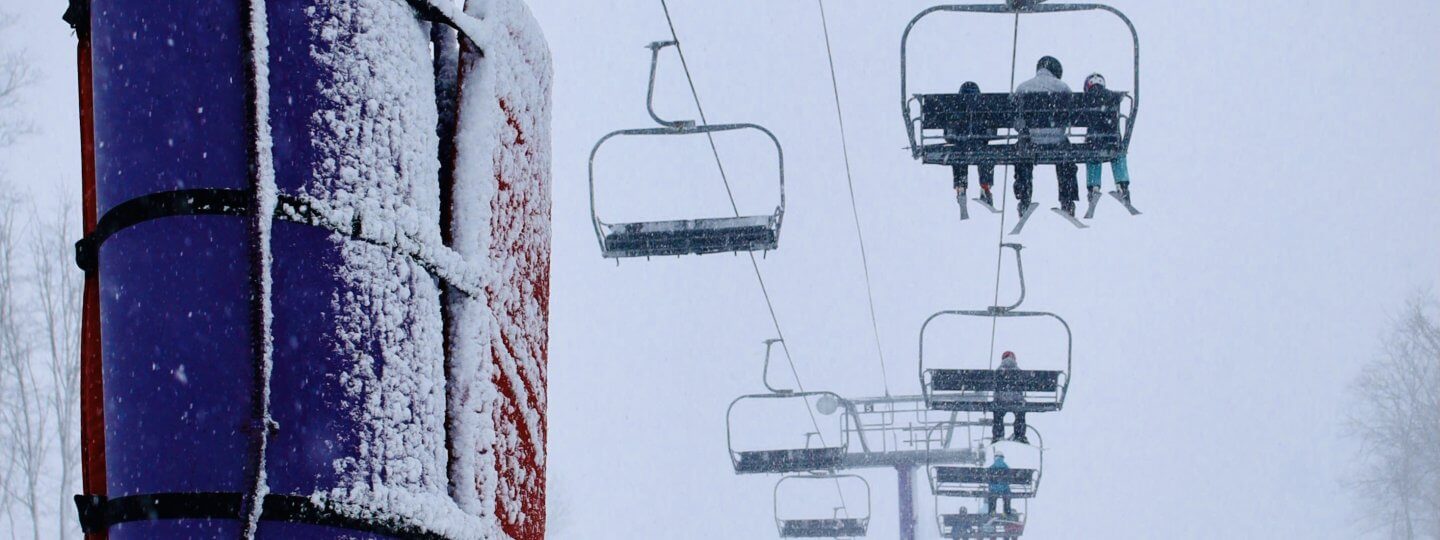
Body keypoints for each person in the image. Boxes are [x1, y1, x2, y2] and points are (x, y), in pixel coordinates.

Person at [1013, 56, 1080, 218]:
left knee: (1022, 155)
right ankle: (1067, 200)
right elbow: (1071, 118)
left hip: (1032, 141)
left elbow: (1017, 124)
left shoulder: (1023, 88)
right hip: (1057, 141)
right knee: (1067, 160)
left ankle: (1024, 198)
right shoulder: (1063, 88)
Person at [1082, 73, 1132, 205]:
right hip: (1113, 140)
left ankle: (1093, 187)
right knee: (1118, 154)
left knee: (1093, 156)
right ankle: (1122, 185)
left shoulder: (1084, 99)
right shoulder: (1114, 96)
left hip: (1094, 141)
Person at [947, 81, 996, 208]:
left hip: (961, 145)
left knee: (959, 155)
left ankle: (961, 187)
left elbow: (948, 136)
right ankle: (985, 187)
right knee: (986, 155)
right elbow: (992, 133)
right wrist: (982, 137)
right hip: (980, 145)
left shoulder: (953, 107)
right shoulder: (985, 107)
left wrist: (960, 137)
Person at [990, 351, 1028, 444]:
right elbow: (1023, 386)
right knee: (1020, 412)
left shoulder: (998, 370)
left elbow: (995, 387)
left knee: (998, 413)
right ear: (1014, 359)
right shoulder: (1018, 371)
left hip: (1001, 400)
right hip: (1017, 400)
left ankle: (998, 435)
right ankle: (1020, 435)